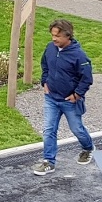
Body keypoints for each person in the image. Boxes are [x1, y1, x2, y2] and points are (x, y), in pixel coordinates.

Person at [32, 19, 94, 176]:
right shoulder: (50, 48)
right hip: (51, 98)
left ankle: (88, 148)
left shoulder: (79, 56)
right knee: (48, 130)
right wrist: (44, 81)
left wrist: (77, 95)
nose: (54, 39)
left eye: (57, 36)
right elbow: (44, 65)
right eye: (53, 35)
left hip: (69, 101)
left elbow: (86, 78)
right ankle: (48, 162)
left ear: (68, 36)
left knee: (77, 129)